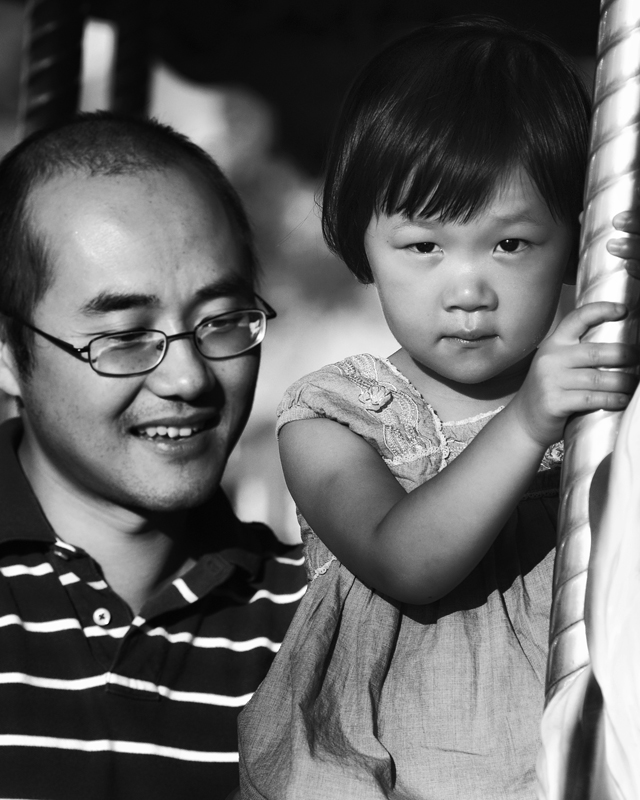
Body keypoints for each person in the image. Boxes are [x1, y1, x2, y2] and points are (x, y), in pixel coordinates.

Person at [237, 17, 640, 800]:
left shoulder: (599, 407)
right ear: (361, 239)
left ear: (574, 242)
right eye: (424, 246)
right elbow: (406, 562)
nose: (467, 292)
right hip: (393, 774)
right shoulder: (333, 418)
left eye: (511, 245)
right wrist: (526, 422)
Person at [0, 112, 305, 800]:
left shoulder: (317, 625)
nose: (188, 378)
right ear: (7, 354)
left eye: (221, 321)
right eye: (126, 335)